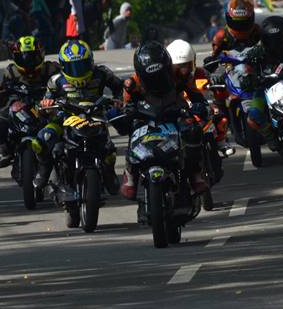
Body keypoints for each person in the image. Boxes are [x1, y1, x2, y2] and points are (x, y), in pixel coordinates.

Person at [118, 41, 209, 199]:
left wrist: (200, 106)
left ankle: (195, 174)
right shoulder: (132, 83)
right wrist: (127, 111)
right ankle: (130, 174)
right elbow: (125, 105)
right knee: (133, 129)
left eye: (161, 75)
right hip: (146, 116)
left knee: (193, 130)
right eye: (151, 77)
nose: (157, 80)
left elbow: (197, 97)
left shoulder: (180, 76)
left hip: (174, 112)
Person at [36, 40, 122, 193]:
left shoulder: (102, 73)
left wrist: (118, 101)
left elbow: (120, 88)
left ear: (91, 62)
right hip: (65, 117)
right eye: (73, 67)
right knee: (43, 138)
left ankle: (109, 171)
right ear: (63, 66)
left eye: (82, 66)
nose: (78, 71)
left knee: (108, 147)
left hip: (95, 116)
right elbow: (46, 101)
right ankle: (44, 171)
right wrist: (46, 103)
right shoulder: (55, 81)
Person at [0, 36, 59, 168]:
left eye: (32, 57)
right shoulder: (11, 71)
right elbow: (0, 102)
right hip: (21, 105)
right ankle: (6, 151)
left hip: (47, 105)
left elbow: (65, 85)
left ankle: (65, 150)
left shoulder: (52, 69)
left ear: (41, 55)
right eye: (23, 57)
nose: (28, 61)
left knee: (63, 121)